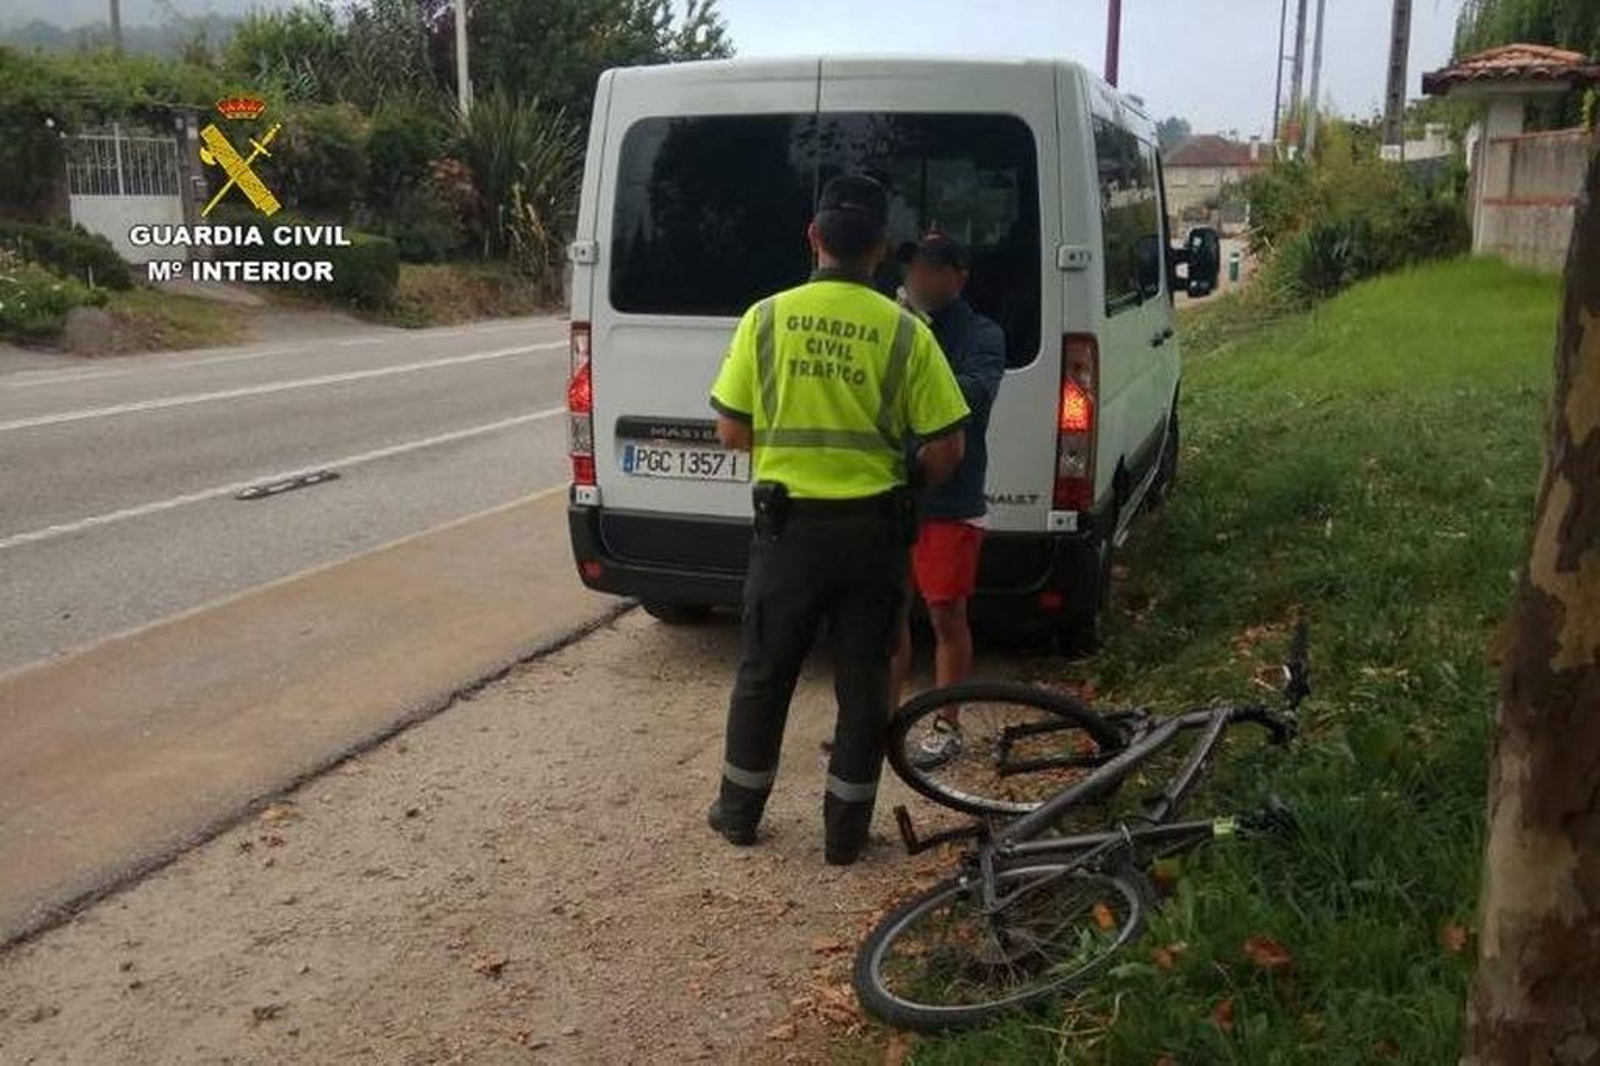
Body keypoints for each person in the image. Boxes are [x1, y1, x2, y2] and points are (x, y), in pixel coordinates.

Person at [706, 175, 971, 865]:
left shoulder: (764, 319)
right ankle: (844, 838)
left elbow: (731, 432)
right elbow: (947, 448)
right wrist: (900, 478)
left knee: (764, 673)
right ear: (881, 250)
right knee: (864, 684)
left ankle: (738, 814)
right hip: (872, 535)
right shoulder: (906, 333)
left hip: (786, 533)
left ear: (814, 237)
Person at [890, 234, 1007, 769]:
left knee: (945, 618)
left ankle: (945, 724)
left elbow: (966, 398)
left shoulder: (983, 335)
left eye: (931, 270)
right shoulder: (896, 327)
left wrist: (920, 338)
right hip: (893, 498)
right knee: (887, 617)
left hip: (951, 501)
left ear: (958, 276)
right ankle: (880, 720)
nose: (919, 279)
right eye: (914, 268)